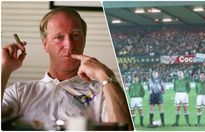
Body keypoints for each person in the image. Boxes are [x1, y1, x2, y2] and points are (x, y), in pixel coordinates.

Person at [1, 7, 133, 130]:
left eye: (75, 35)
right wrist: (4, 69)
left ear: (84, 40)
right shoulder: (20, 92)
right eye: (59, 37)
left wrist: (105, 74)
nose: (69, 45)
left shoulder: (104, 91)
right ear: (45, 44)